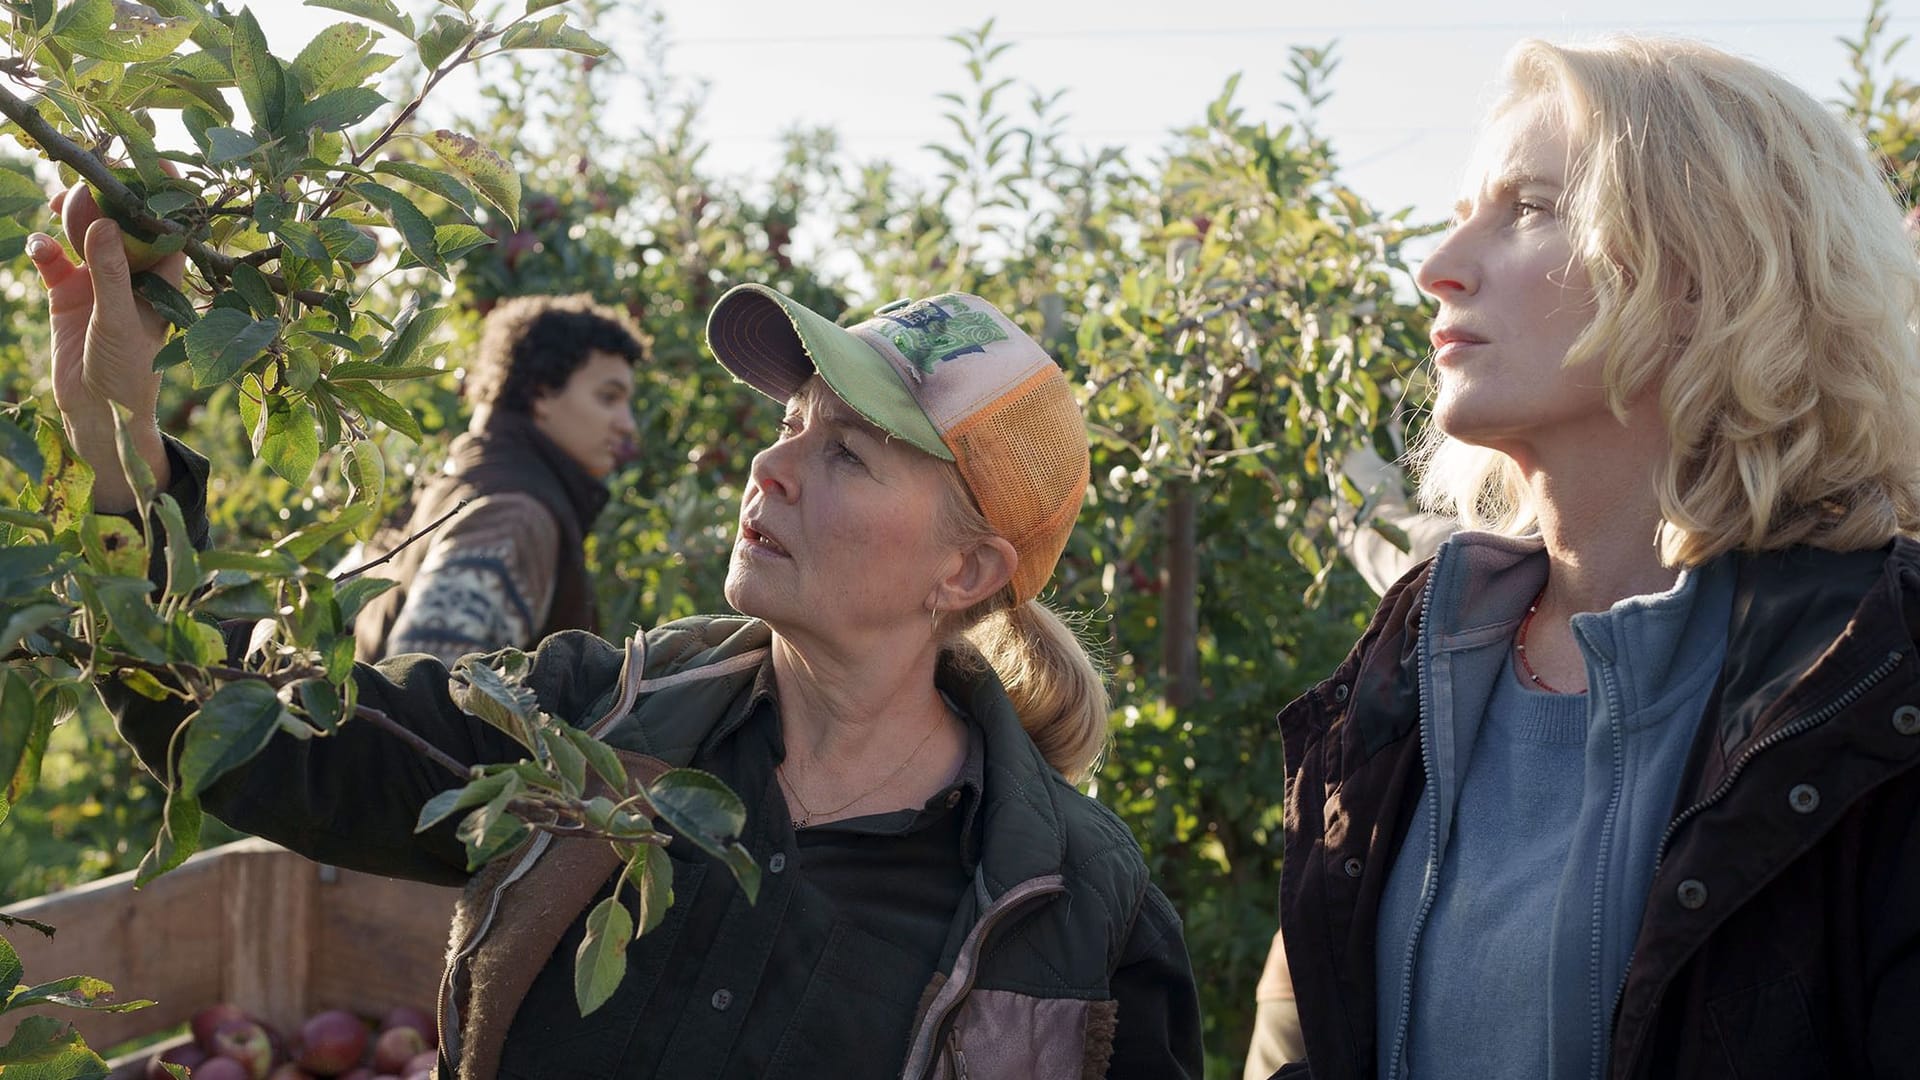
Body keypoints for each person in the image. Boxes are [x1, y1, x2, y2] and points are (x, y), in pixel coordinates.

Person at [33, 209, 1203, 1079]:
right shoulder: (592, 725)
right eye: (793, 425)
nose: (771, 465)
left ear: (968, 570)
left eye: (848, 454)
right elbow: (261, 739)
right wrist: (119, 450)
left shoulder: (1077, 916)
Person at [1273, 36, 1920, 1080]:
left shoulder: (1881, 674)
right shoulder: (1408, 668)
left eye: (1528, 207)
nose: (1437, 269)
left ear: (1710, 275)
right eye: (1462, 210)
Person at [348, 293, 645, 665]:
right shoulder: (514, 518)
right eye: (608, 397)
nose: (627, 424)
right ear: (540, 393)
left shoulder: (456, 482)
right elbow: (430, 688)